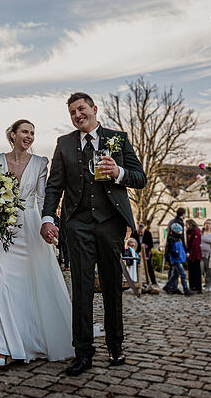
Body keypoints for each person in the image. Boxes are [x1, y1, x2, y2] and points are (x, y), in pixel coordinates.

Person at [41, 92, 147, 375]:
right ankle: (83, 352)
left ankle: (115, 345)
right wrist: (48, 218)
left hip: (111, 223)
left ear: (94, 109)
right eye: (73, 112)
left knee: (112, 287)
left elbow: (141, 178)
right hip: (77, 225)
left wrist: (119, 172)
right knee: (82, 288)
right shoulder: (64, 144)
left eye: (81, 109)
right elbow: (54, 186)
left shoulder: (117, 138)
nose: (77, 115)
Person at [0, 119, 75, 367]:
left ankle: (26, 338)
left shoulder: (41, 163)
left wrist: (48, 223)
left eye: (33, 132)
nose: (30, 136)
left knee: (26, 285)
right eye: (25, 131)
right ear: (13, 134)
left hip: (29, 227)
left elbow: (42, 199)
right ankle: (0, 347)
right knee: (2, 281)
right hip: (0, 227)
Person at [131, 224, 159, 294]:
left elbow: (151, 245)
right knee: (136, 266)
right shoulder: (134, 233)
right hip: (137, 252)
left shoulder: (148, 233)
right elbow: (131, 242)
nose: (140, 233)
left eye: (141, 232)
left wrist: (144, 251)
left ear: (144, 230)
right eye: (139, 232)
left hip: (146, 252)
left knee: (150, 267)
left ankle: (153, 282)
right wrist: (137, 251)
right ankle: (136, 282)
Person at [166, 223, 190, 295]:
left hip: (180, 257)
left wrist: (186, 252)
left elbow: (184, 246)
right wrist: (174, 254)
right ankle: (186, 289)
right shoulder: (171, 239)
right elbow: (169, 249)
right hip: (175, 259)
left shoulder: (180, 238)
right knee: (183, 274)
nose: (182, 232)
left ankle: (167, 286)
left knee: (175, 275)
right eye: (180, 231)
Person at [186, 219, 202, 293]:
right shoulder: (188, 232)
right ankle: (192, 286)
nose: (186, 226)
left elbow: (195, 244)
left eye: (187, 225)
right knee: (191, 271)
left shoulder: (196, 230)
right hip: (190, 254)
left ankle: (198, 287)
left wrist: (191, 254)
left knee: (196, 271)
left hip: (195, 254)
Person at [200, 219, 211, 291]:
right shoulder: (201, 232)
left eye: (209, 223)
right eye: (206, 223)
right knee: (201, 270)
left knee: (208, 272)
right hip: (201, 254)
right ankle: (203, 283)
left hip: (209, 255)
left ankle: (208, 286)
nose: (207, 225)